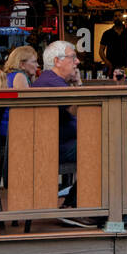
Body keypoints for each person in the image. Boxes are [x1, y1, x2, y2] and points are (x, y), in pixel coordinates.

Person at [33, 40, 91, 227]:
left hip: (56, 143)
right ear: (57, 61)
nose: (77, 62)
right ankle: (73, 207)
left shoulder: (52, 80)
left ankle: (87, 205)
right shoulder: (52, 82)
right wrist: (79, 85)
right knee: (101, 149)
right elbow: (80, 109)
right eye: (73, 58)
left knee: (102, 145)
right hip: (51, 148)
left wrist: (77, 83)